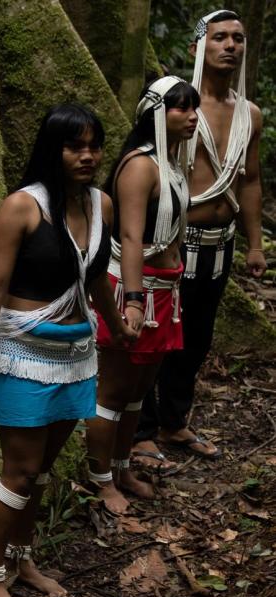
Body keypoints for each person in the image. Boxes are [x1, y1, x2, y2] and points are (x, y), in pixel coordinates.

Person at [0, 105, 133, 597]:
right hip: (24, 354)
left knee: (44, 471)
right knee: (20, 471)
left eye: (95, 145)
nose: (88, 155)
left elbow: (95, 276)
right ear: (52, 149)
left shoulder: (101, 205)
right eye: (75, 146)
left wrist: (117, 326)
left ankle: (20, 560)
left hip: (77, 352)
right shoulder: (22, 208)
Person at [132, 10, 264, 469]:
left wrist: (254, 243)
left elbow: (249, 179)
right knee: (156, 334)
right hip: (173, 238)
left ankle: (174, 420)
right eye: (220, 37)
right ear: (197, 47)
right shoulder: (175, 105)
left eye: (238, 39)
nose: (230, 46)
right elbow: (145, 162)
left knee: (198, 336)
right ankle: (141, 431)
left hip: (220, 240)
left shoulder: (250, 114)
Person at [85, 76, 199, 515]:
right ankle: (100, 481)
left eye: (194, 108)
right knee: (113, 389)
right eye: (180, 108)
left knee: (138, 390)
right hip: (136, 290)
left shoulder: (170, 163)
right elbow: (131, 235)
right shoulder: (139, 165)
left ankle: (121, 467)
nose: (191, 117)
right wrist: (131, 301)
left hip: (165, 291)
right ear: (155, 113)